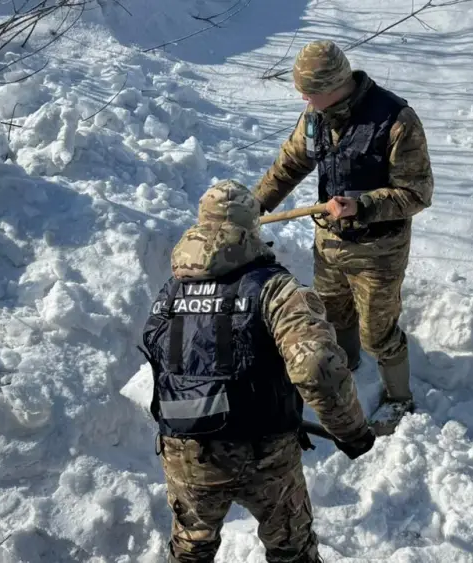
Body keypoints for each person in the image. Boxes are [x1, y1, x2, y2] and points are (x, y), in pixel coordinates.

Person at [139, 179, 376, 563]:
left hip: (188, 454)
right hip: (264, 453)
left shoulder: (171, 291)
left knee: (190, 550)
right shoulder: (275, 290)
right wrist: (351, 431)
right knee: (292, 549)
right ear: (253, 229)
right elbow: (317, 366)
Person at [251, 39, 434, 434]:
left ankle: (399, 398)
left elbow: (417, 193)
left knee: (378, 332)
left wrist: (363, 205)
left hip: (378, 251)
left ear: (336, 85)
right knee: (333, 313)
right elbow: (290, 164)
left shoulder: (396, 120)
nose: (304, 99)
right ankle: (347, 364)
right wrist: (255, 206)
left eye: (310, 92)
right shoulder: (316, 115)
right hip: (330, 243)